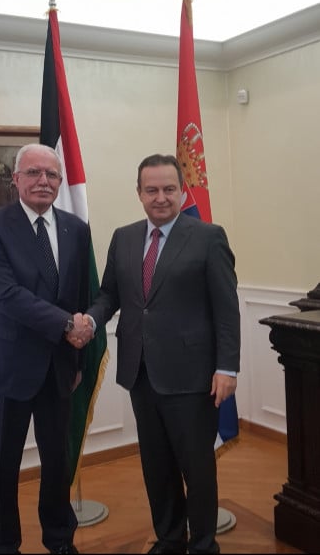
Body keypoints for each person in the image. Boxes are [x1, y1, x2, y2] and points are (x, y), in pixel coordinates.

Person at [81, 154, 240, 554]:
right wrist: (91, 319)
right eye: (151, 190)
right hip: (141, 373)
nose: (161, 197)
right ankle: (170, 539)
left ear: (182, 191)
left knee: (197, 468)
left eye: (169, 189)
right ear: (139, 193)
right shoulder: (124, 237)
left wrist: (227, 367)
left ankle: (203, 545)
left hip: (193, 377)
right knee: (157, 465)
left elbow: (226, 309)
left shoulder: (208, 237)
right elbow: (110, 295)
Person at [0, 143, 93, 555]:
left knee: (58, 463)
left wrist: (77, 356)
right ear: (16, 179)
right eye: (34, 173)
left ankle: (59, 540)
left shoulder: (76, 229)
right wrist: (67, 326)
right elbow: (6, 294)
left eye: (51, 174)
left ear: (60, 181)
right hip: (7, 366)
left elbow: (78, 296)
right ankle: (1, 545)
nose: (44, 181)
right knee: (1, 465)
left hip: (59, 366)